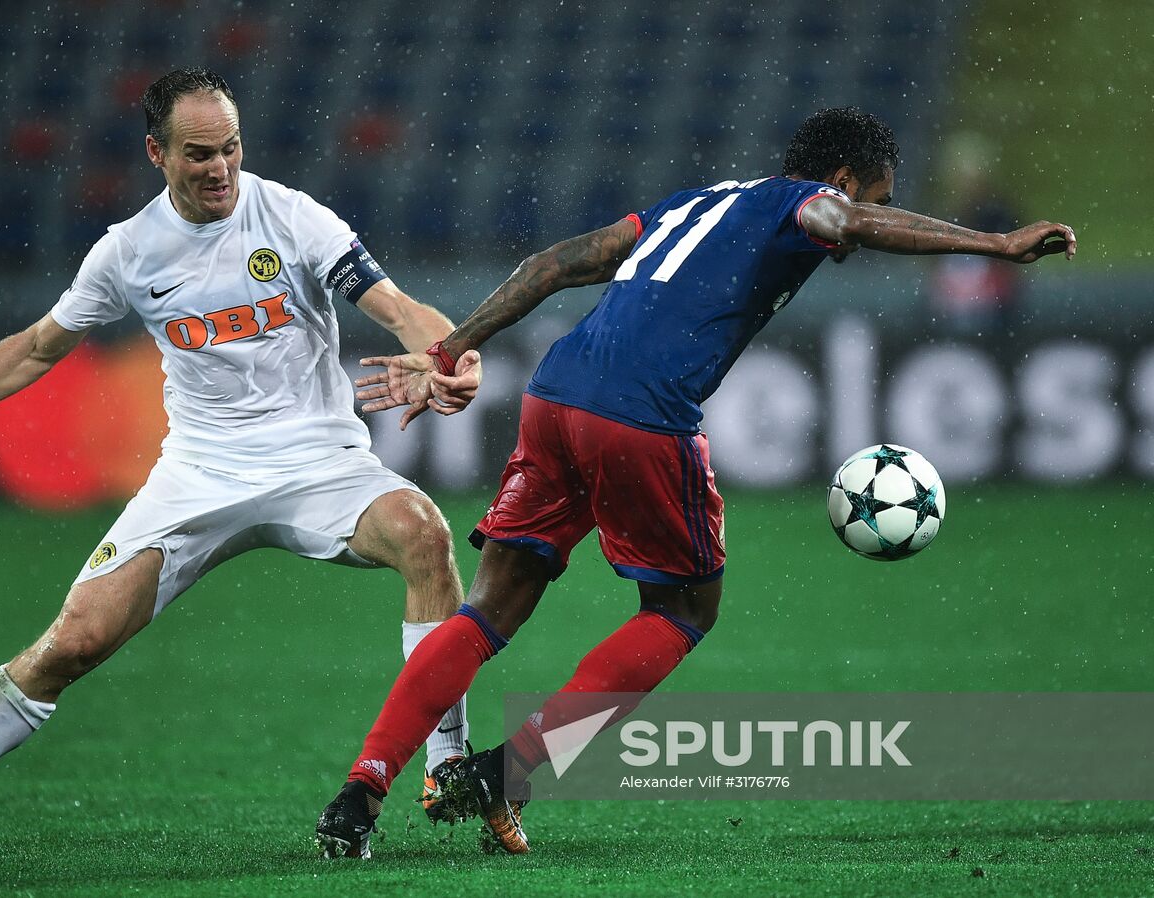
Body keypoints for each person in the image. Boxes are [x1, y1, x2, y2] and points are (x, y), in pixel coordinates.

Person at [314, 106, 1076, 858]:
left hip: (555, 395)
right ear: (841, 181)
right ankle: (510, 772)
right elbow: (841, 223)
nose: (870, 219)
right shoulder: (800, 204)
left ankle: (360, 792)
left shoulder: (696, 203)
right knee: (684, 611)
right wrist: (996, 245)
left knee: (490, 606)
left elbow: (552, 265)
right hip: (640, 415)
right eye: (875, 198)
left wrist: (452, 347)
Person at [0, 67, 482, 855]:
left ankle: (446, 762)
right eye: (200, 154)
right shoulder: (130, 253)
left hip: (319, 463)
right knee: (72, 641)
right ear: (156, 153)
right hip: (199, 475)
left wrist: (451, 354)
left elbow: (398, 307)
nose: (220, 169)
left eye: (231, 148)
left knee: (423, 532)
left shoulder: (294, 217)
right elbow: (39, 348)